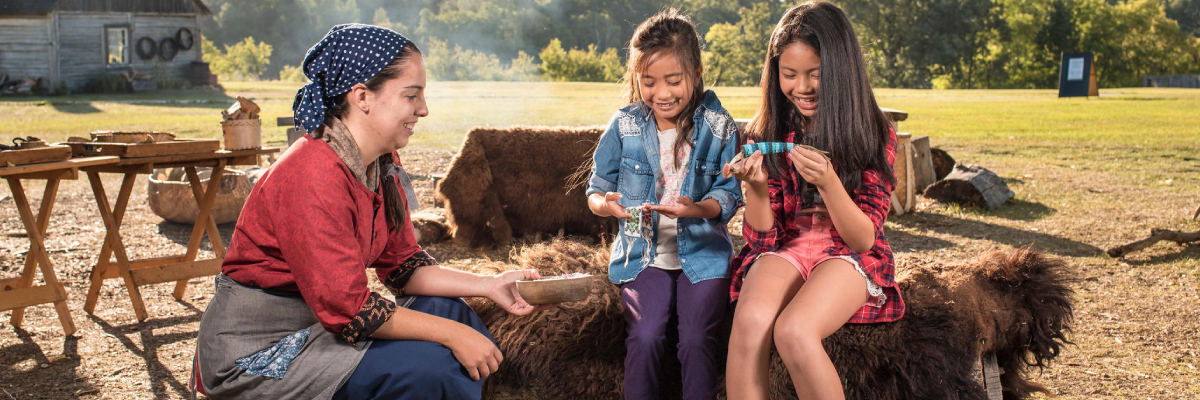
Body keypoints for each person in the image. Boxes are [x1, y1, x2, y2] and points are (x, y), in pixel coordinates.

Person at [195, 24, 541, 400]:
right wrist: (455, 336)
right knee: (432, 367)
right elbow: (349, 310)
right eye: (412, 96)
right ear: (362, 96)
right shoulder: (311, 173)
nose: (423, 110)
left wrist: (490, 286)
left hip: (321, 326)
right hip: (264, 349)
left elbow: (404, 267)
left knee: (447, 310)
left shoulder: (379, 163)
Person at [720, 2, 906, 399]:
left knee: (794, 331)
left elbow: (863, 239)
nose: (801, 87)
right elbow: (761, 240)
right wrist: (754, 187)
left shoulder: (873, 133)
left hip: (847, 254)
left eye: (815, 75)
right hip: (787, 245)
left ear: (842, 71)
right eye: (789, 75)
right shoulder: (768, 131)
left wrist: (828, 182)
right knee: (751, 319)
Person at [584, 9, 742, 400]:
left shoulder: (719, 126)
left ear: (696, 71)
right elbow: (595, 190)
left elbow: (729, 195)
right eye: (649, 82)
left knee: (693, 339)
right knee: (646, 333)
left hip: (704, 255)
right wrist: (606, 205)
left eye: (674, 81)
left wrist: (695, 209)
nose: (662, 93)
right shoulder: (624, 126)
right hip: (642, 255)